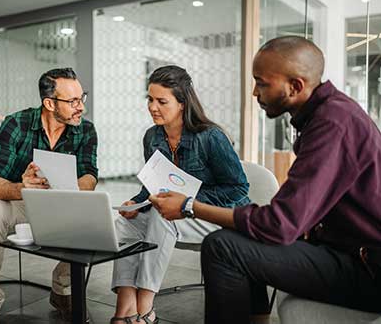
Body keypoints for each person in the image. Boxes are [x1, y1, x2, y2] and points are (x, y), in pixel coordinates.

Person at [149, 36, 381, 324]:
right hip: (346, 251)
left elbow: (280, 225)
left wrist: (189, 206)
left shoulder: (333, 124)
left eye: (262, 83)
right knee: (241, 237)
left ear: (295, 86)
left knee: (222, 247)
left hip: (367, 269)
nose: (255, 92)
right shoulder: (327, 115)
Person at [110, 65, 250, 324]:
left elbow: (238, 188)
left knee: (163, 218)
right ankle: (125, 306)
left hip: (217, 216)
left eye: (162, 101)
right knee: (126, 221)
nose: (153, 107)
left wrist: (187, 203)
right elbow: (153, 184)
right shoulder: (152, 137)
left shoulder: (210, 137)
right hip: (178, 213)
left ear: (183, 103)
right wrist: (138, 201)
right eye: (150, 99)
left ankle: (145, 307)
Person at [0, 68, 98, 324]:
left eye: (81, 98)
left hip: (61, 204)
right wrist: (22, 187)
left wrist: (70, 188)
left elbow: (90, 175)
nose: (81, 108)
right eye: (72, 101)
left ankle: (63, 290)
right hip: (20, 204)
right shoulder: (16, 124)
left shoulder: (86, 130)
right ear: (49, 103)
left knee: (92, 214)